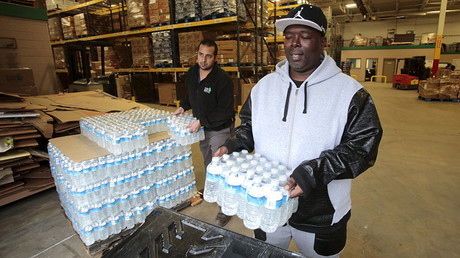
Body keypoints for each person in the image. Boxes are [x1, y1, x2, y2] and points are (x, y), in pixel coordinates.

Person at [214, 4, 383, 257]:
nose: (294, 43)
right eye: (289, 36)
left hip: (321, 215)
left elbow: (362, 148)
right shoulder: (264, 87)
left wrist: (313, 172)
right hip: (268, 204)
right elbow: (248, 125)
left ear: (322, 41)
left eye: (304, 36)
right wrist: (235, 143)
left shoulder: (350, 93)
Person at [173, 39, 235, 227]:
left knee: (220, 167)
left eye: (208, 56)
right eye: (201, 54)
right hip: (202, 129)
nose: (203, 60)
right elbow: (192, 94)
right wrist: (183, 106)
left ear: (215, 58)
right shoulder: (192, 73)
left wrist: (202, 120)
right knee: (209, 165)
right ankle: (215, 193)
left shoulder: (222, 79)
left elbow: (226, 110)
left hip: (219, 128)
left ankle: (226, 208)